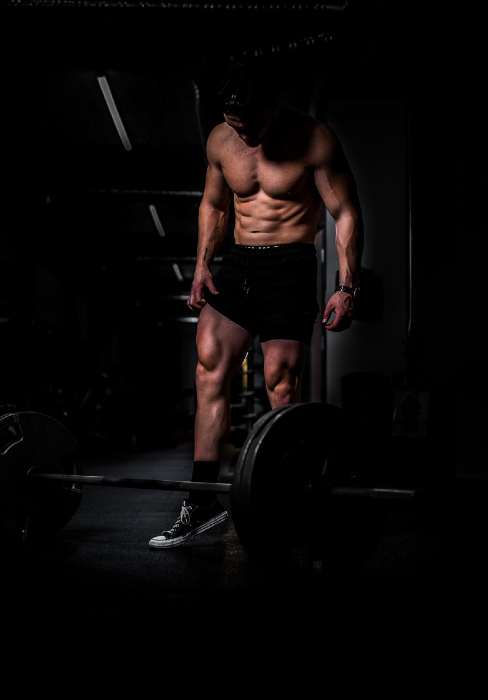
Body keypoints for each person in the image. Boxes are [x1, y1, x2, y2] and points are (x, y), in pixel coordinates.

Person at [149, 61, 363, 548]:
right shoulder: (221, 139)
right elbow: (215, 204)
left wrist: (347, 287)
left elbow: (346, 210)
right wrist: (202, 263)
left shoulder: (314, 140)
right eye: (234, 120)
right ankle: (202, 501)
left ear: (274, 106)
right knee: (208, 366)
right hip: (237, 262)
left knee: (281, 386)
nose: (242, 131)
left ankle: (290, 497)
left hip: (290, 265)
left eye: (251, 121)